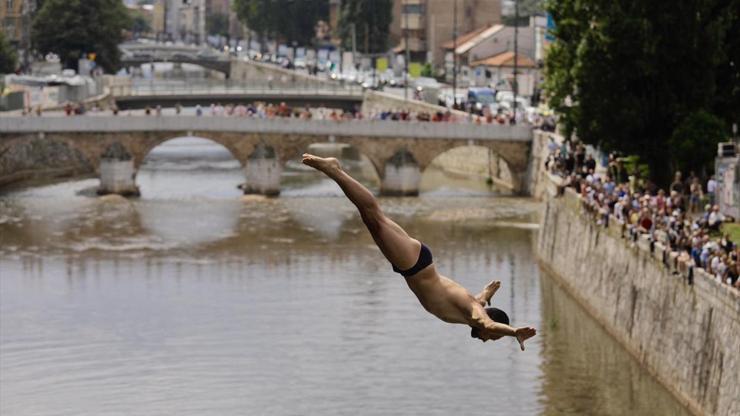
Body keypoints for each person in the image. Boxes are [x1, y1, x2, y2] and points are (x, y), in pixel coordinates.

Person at [301, 153, 537, 350]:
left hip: (417, 262)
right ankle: (335, 170)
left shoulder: (472, 308)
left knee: (374, 216)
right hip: (414, 265)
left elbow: (479, 304)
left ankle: (336, 171)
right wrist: (513, 331)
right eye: (493, 339)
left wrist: (487, 291)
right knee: (372, 215)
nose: (487, 339)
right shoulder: (476, 314)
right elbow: (487, 324)